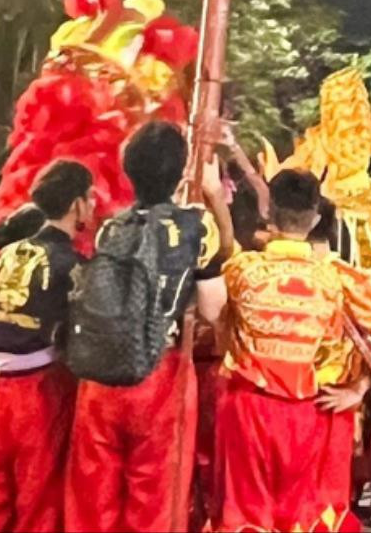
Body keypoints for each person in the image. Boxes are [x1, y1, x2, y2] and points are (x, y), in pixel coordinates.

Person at [64, 120, 234, 532]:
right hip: (161, 374)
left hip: (101, 373)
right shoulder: (196, 227)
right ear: (181, 169)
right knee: (154, 498)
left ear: (129, 169)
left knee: (92, 498)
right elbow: (214, 309)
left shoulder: (111, 227)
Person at [215, 168, 371, 533]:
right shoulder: (335, 277)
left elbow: (212, 311)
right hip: (308, 410)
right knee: (299, 516)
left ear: (268, 213)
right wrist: (361, 388)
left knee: (245, 515)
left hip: (247, 407)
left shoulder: (242, 269)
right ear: (316, 217)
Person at [0, 158, 96, 533]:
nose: (93, 207)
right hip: (42, 395)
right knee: (38, 510)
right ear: (76, 204)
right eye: (90, 199)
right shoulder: (73, 264)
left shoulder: (8, 254)